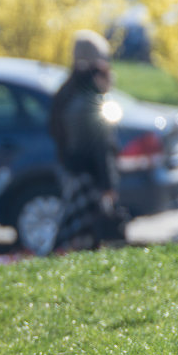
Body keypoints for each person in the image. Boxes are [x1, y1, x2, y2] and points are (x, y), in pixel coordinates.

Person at [47, 30, 124, 253]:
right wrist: (108, 184)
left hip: (70, 171)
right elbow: (102, 145)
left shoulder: (65, 92)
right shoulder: (91, 98)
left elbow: (56, 133)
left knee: (73, 234)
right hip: (90, 176)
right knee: (89, 235)